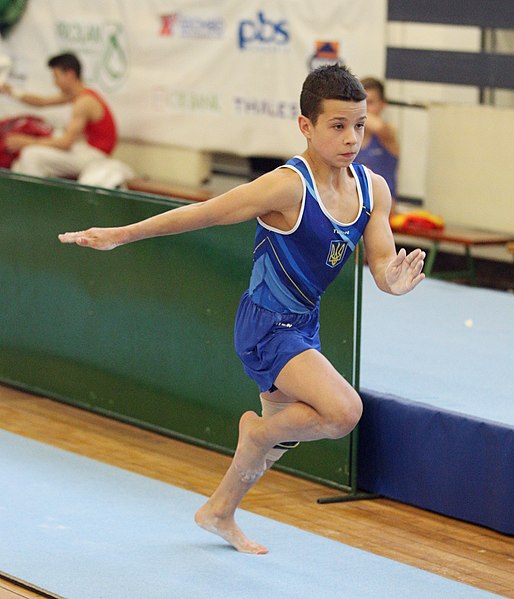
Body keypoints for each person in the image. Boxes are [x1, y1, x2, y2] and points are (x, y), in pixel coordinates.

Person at [59, 64, 425, 554]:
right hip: (267, 326)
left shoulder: (371, 189)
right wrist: (121, 234)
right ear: (306, 126)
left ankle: (218, 511)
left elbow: (382, 261)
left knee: (277, 442)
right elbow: (203, 214)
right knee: (342, 412)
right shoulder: (286, 187)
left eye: (358, 125)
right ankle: (253, 435)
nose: (351, 138)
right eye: (337, 126)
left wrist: (391, 282)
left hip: (304, 323)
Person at [0, 52, 118, 183]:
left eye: (56, 77)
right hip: (87, 149)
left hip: (94, 156)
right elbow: (41, 101)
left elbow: (66, 143)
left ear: (69, 74)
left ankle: (35, 199)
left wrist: (27, 141)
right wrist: (12, 92)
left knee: (31, 154)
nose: (55, 83)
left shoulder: (84, 102)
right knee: (21, 164)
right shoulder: (77, 95)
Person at [357, 77, 399, 213]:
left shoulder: (388, 132)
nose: (365, 108)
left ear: (382, 105)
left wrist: (354, 111)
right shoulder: (349, 138)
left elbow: (380, 128)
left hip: (384, 210)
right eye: (361, 102)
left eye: (369, 103)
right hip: (354, 208)